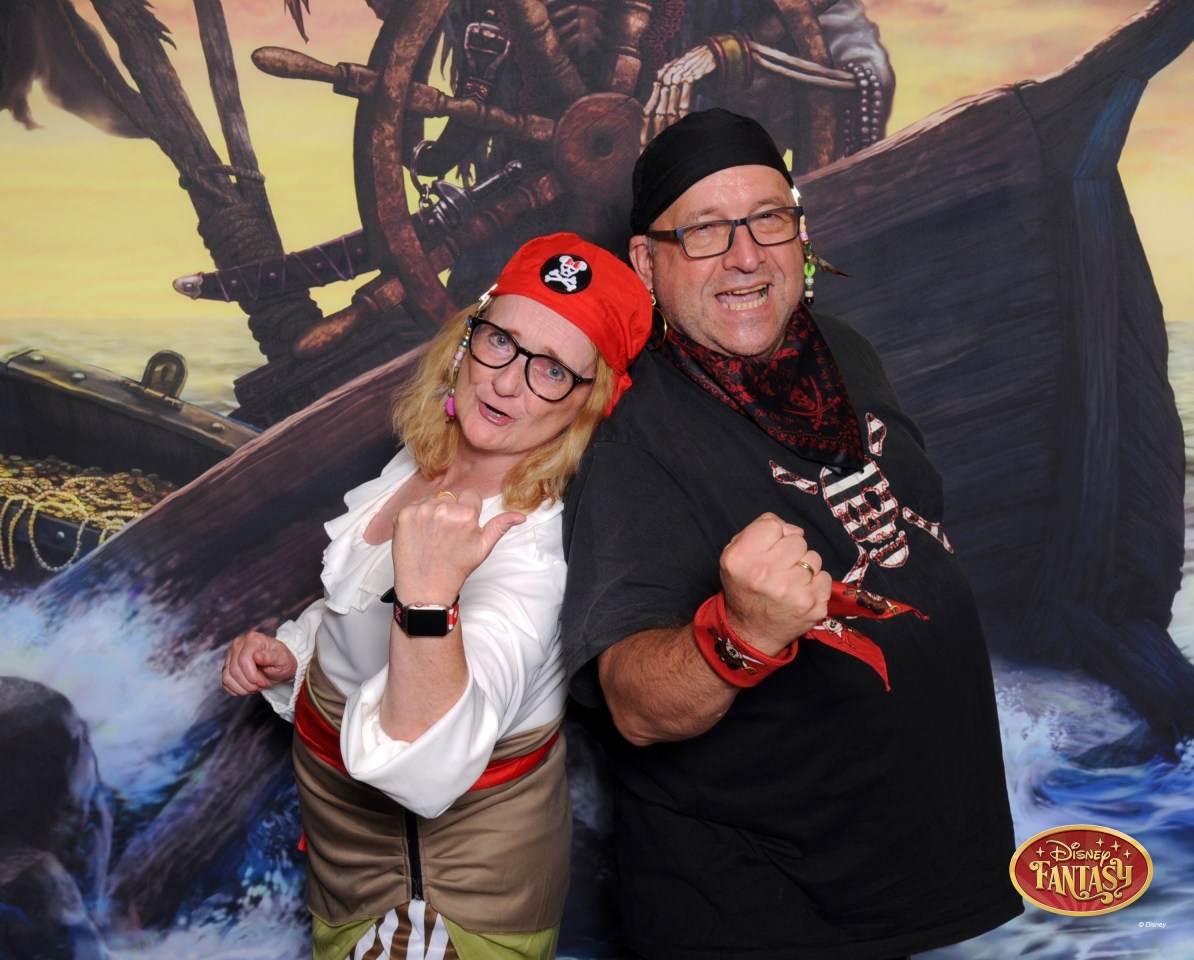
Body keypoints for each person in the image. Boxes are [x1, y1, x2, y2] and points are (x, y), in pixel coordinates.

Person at [559, 109, 1023, 960]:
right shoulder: (628, 431)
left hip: (892, 882)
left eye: (768, 218)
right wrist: (738, 635)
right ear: (647, 264)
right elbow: (633, 704)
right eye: (704, 230)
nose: (745, 256)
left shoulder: (839, 348)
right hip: (763, 910)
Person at [221, 232, 652, 960]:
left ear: (589, 404)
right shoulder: (428, 458)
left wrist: (428, 597)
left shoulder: (535, 554)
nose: (507, 383)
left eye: (552, 370)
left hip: (439, 910)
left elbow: (427, 768)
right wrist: (297, 657)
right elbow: (359, 607)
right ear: (466, 339)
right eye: (501, 342)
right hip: (347, 868)